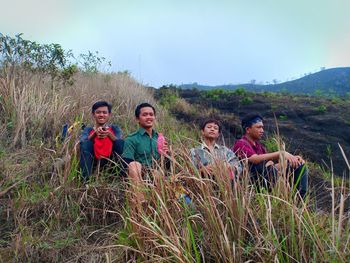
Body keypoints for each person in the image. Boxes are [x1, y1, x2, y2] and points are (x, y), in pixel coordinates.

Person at [233, 113, 308, 197]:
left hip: (266, 175)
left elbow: (269, 161)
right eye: (258, 127)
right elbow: (254, 159)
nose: (262, 130)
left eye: (262, 127)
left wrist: (293, 159)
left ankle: (300, 199)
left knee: (299, 165)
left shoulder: (259, 146)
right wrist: (281, 153)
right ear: (248, 129)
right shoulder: (241, 143)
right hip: (252, 180)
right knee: (266, 169)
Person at [122, 103, 169, 204]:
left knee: (158, 174)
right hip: (139, 174)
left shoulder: (160, 138)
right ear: (137, 119)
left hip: (158, 175)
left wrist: (167, 155)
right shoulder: (131, 139)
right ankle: (141, 200)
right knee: (134, 164)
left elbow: (167, 166)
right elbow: (126, 164)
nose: (149, 117)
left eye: (151, 114)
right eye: (145, 115)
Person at [80, 101, 124, 180]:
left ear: (109, 115)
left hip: (111, 161)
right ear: (93, 114)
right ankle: (85, 180)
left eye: (104, 112)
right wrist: (95, 134)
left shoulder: (114, 128)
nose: (101, 115)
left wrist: (109, 134)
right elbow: (83, 142)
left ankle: (121, 177)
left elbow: (119, 142)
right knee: (86, 144)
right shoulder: (88, 129)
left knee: (120, 143)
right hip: (93, 161)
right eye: (98, 112)